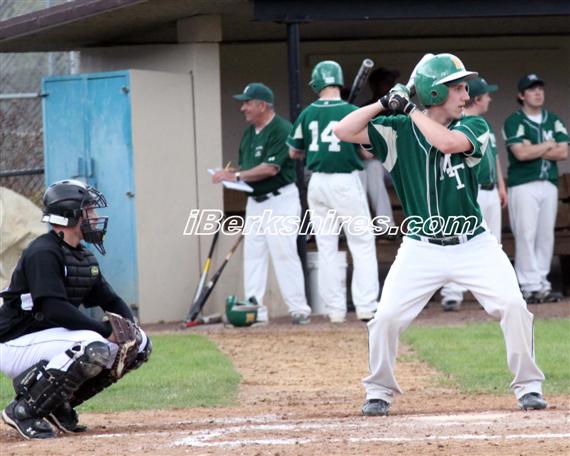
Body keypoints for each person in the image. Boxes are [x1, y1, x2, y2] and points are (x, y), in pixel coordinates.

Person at [334, 53, 547, 416]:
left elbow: (446, 143)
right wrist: (384, 103)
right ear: (434, 93)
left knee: (514, 306)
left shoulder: (474, 126)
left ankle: (529, 387)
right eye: (458, 88)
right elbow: (343, 130)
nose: (466, 95)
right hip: (421, 247)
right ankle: (379, 391)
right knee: (385, 318)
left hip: (473, 243)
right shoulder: (397, 131)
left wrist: (409, 108)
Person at [0, 179, 152, 440]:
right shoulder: (43, 252)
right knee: (91, 346)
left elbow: (111, 300)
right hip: (13, 341)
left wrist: (130, 328)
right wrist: (104, 329)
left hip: (46, 340)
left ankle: (54, 404)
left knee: (139, 346)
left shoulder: (82, 256)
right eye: (88, 210)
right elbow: (53, 309)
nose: (95, 217)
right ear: (69, 214)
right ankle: (24, 409)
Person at [287, 60, 379, 323]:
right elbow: (368, 152)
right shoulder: (352, 111)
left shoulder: (307, 113)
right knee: (361, 243)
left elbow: (293, 152)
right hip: (345, 182)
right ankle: (365, 306)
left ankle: (335, 310)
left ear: (317, 83)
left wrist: (316, 151)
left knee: (327, 246)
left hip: (317, 182)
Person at [213, 83, 312, 325]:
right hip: (256, 202)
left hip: (280, 199)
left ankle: (299, 310)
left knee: (284, 254)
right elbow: (247, 169)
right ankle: (255, 311)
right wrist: (230, 174)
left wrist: (236, 177)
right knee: (253, 257)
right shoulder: (249, 133)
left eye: (247, 102)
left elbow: (270, 169)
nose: (243, 108)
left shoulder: (282, 129)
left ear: (262, 105)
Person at [440, 77, 508, 311]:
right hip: (470, 190)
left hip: (490, 189)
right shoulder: (457, 124)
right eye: (486, 95)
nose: (489, 98)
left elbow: (494, 157)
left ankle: (493, 294)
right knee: (460, 241)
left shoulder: (483, 124)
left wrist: (501, 185)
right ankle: (452, 294)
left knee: (492, 244)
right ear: (477, 98)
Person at [503, 74, 569, 304]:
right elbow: (520, 153)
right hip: (523, 184)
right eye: (531, 89)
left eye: (540, 88)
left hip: (549, 183)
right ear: (521, 95)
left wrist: (536, 148)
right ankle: (529, 285)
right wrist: (549, 145)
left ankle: (542, 284)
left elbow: (563, 152)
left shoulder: (554, 119)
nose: (538, 92)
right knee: (526, 233)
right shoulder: (514, 121)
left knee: (545, 235)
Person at [359, 68, 399, 228]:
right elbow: (361, 148)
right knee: (372, 168)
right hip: (380, 165)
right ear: (375, 85)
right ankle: (385, 226)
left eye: (391, 82)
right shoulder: (365, 111)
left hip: (401, 165)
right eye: (386, 82)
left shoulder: (400, 109)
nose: (390, 86)